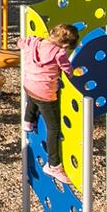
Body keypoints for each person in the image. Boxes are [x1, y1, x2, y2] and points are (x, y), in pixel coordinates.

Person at [18, 23, 82, 189]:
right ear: (66, 45)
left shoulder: (33, 42)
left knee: (33, 96)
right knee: (53, 127)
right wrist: (72, 75)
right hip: (46, 94)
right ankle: (53, 165)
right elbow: (67, 69)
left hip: (29, 85)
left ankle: (27, 121)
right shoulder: (59, 53)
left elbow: (20, 42)